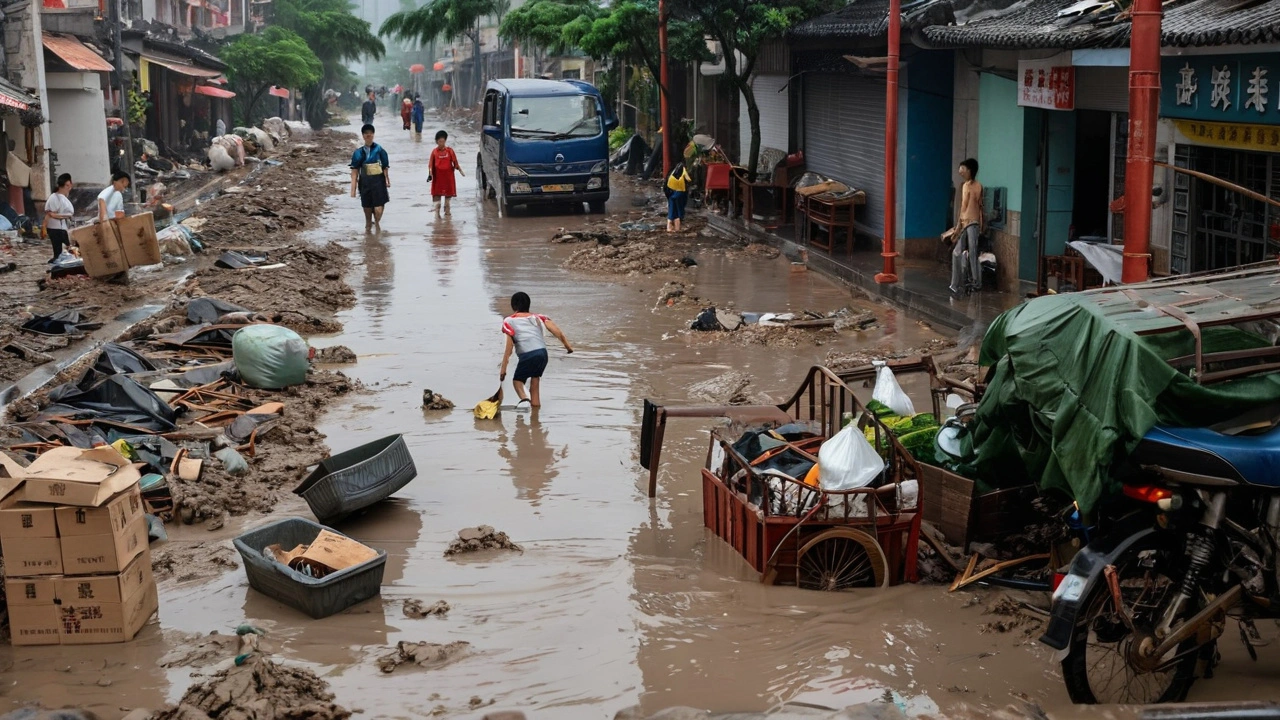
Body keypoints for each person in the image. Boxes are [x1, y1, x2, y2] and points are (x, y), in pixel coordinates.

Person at [499, 292, 573, 409]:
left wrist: (503, 369)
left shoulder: (509, 321)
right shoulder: (539, 317)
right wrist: (568, 347)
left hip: (527, 355)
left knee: (517, 381)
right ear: (528, 304)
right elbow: (558, 332)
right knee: (535, 380)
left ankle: (525, 399)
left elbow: (509, 348)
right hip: (543, 354)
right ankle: (535, 412)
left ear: (513, 306)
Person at [946, 158, 984, 295]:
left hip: (973, 223)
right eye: (960, 168)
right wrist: (957, 226)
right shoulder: (964, 186)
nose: (960, 171)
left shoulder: (977, 186)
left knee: (973, 252)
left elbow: (979, 207)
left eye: (963, 169)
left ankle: (976, 282)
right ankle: (955, 283)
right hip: (964, 222)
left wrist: (981, 224)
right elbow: (962, 208)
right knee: (957, 252)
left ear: (970, 170)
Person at [349, 123, 391, 229]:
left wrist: (387, 180)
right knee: (367, 212)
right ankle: (368, 231)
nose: (368, 135)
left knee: (378, 210)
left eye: (370, 133)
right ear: (363, 135)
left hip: (378, 182)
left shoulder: (380, 150)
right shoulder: (358, 153)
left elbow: (385, 167)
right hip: (365, 182)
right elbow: (354, 172)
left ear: (373, 134)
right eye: (366, 133)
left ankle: (377, 224)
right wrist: (353, 190)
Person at [428, 130, 463, 216]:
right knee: (437, 195)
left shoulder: (450, 151)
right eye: (440, 141)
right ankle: (437, 213)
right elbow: (430, 164)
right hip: (438, 178)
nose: (442, 143)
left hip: (448, 177)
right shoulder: (434, 152)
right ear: (437, 142)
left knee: (448, 195)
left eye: (443, 141)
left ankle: (447, 211)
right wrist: (430, 174)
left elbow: (455, 161)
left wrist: (459, 169)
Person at [43, 173, 74, 262]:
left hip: (61, 227)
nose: (68, 187)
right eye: (67, 185)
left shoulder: (63, 197)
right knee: (62, 249)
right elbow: (51, 214)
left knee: (64, 249)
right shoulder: (55, 198)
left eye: (69, 185)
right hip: (56, 228)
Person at [665, 162, 692, 232]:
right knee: (678, 212)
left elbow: (665, 186)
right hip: (679, 194)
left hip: (671, 194)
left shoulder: (671, 173)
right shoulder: (684, 172)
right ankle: (677, 228)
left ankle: (669, 228)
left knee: (671, 211)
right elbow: (689, 181)